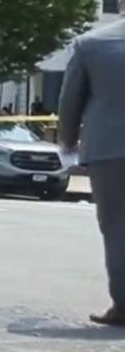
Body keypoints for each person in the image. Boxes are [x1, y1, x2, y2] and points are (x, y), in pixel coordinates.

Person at [57, 16, 125, 327]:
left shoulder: (91, 44)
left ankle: (123, 304)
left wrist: (67, 143)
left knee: (117, 228)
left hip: (111, 150)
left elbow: (70, 100)